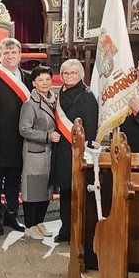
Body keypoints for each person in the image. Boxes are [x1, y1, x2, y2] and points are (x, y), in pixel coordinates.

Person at [0, 38, 32, 235]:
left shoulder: (29, 78)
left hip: (21, 139)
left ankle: (12, 215)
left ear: (20, 55)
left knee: (14, 181)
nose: (10, 56)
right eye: (6, 53)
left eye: (14, 53)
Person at [50, 59, 98, 243]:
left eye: (73, 73)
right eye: (65, 73)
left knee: (77, 191)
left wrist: (86, 150)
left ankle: (78, 230)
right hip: (62, 149)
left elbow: (91, 126)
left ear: (80, 75)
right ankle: (65, 229)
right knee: (65, 190)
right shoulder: (61, 92)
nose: (69, 76)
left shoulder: (87, 95)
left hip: (78, 150)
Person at [19, 66, 59, 240]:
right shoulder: (30, 104)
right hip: (35, 152)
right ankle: (30, 225)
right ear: (34, 82)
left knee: (46, 190)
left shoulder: (55, 100)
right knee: (33, 190)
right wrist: (48, 136)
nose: (45, 83)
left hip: (50, 153)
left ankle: (40, 223)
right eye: (40, 80)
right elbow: (24, 129)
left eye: (47, 79)